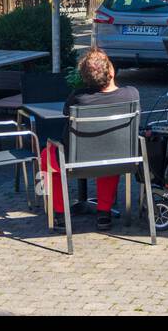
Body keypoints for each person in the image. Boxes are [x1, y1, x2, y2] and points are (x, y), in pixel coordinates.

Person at [40, 49, 139, 232]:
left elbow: (65, 114)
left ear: (85, 78)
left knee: (46, 155)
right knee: (110, 151)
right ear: (111, 72)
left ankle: (59, 213)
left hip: (76, 161)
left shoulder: (78, 98)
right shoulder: (131, 95)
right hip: (119, 159)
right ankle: (104, 214)